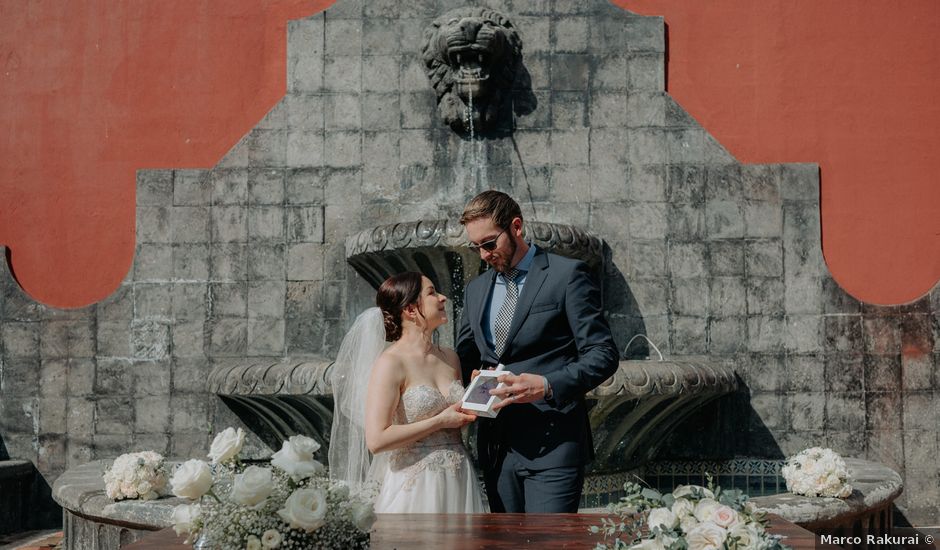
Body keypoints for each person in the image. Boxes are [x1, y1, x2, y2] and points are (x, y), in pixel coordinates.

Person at [456, 190, 619, 513]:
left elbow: (602, 354)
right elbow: (466, 357)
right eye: (476, 248)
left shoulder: (567, 275)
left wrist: (546, 385)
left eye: (490, 244)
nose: (484, 255)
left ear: (516, 227)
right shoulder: (475, 291)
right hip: (496, 447)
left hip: (553, 444)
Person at [329, 271, 487, 513]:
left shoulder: (450, 357)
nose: (443, 298)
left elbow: (457, 422)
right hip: (416, 484)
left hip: (459, 476)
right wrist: (439, 420)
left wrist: (479, 393)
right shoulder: (391, 363)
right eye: (433, 293)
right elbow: (377, 440)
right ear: (411, 309)